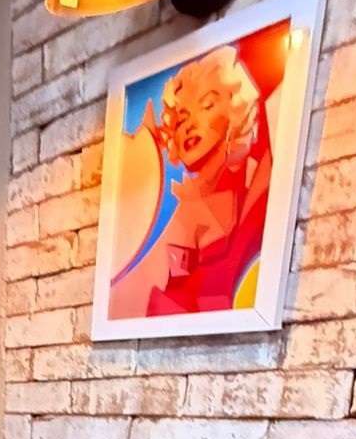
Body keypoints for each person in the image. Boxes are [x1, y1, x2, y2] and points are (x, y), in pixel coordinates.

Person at [114, 44, 271, 317]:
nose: (189, 125)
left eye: (207, 105)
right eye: (181, 118)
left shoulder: (259, 190)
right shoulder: (184, 214)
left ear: (236, 112)